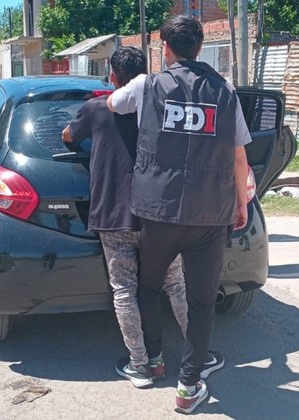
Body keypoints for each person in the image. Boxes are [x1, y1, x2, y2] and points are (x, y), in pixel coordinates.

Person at [107, 16, 251, 414]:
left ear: (165, 49)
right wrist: (240, 204)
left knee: (149, 287)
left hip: (160, 213)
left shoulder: (146, 85)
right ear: (200, 48)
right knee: (202, 302)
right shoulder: (225, 91)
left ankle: (154, 361)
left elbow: (112, 103)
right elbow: (239, 155)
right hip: (210, 215)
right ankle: (189, 386)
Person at [61, 46, 188, 389]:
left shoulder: (95, 108)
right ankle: (197, 356)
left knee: (124, 289)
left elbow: (68, 136)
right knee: (175, 284)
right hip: (158, 214)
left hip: (113, 214)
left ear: (112, 77)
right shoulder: (162, 108)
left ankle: (140, 365)